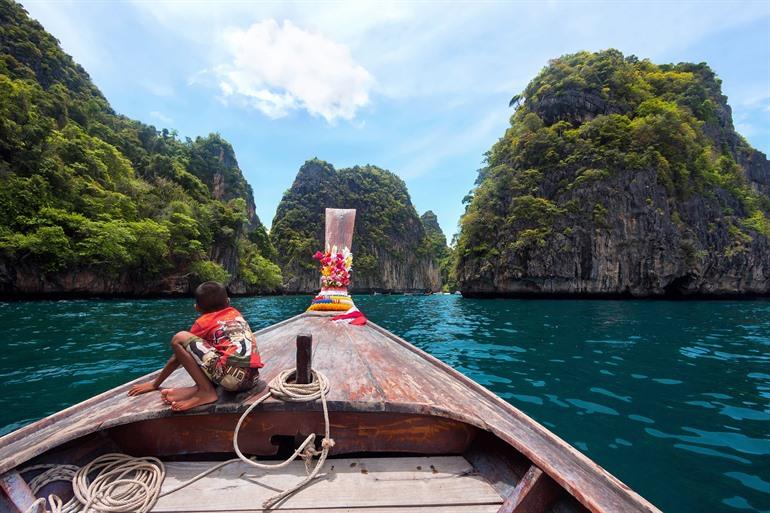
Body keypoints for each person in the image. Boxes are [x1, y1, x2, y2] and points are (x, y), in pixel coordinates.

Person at [127, 281, 263, 411]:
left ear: (196, 307)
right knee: (221, 353)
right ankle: (197, 390)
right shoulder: (236, 315)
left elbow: (176, 358)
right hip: (252, 379)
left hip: (232, 380)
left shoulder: (204, 322)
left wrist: (154, 384)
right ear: (228, 302)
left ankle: (206, 392)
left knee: (179, 338)